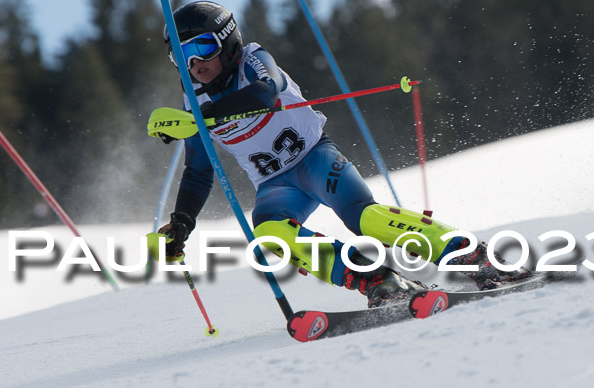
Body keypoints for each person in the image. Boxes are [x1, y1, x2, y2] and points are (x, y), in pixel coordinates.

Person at [155, 1, 530, 308]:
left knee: (363, 217)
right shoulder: (194, 101)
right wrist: (181, 224)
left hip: (316, 160)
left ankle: (468, 254)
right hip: (274, 185)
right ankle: (377, 279)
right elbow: (199, 173)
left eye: (200, 48)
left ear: (227, 40)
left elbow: (264, 94)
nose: (193, 65)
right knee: (268, 235)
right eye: (180, 57)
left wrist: (199, 119)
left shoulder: (253, 59)